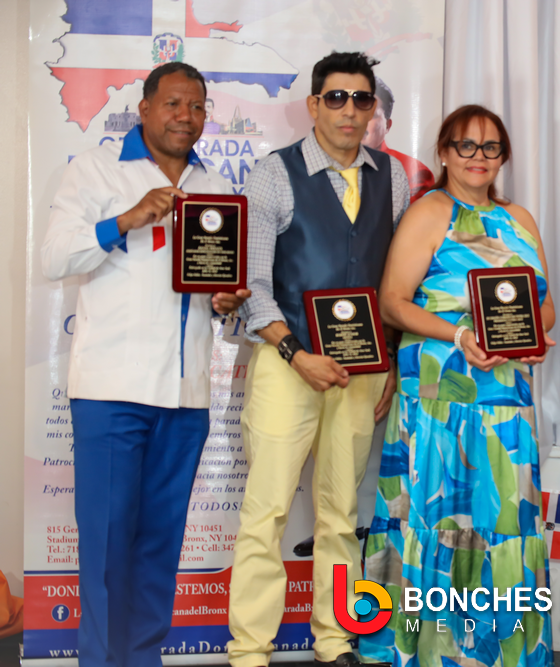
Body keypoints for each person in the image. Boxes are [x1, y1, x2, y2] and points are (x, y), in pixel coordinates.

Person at [40, 62, 250, 667]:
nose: (186, 117)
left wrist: (227, 300)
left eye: (198, 106)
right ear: (145, 109)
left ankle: (143, 658)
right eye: (174, 104)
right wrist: (125, 219)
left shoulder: (216, 188)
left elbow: (218, 291)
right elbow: (54, 258)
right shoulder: (96, 169)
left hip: (187, 395)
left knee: (160, 548)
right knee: (107, 550)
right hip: (112, 392)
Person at [226, 51, 409, 667]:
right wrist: (295, 353)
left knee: (340, 515)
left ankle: (333, 640)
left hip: (362, 373)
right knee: (267, 511)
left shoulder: (393, 177)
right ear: (313, 104)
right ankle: (249, 651)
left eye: (361, 99)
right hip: (288, 364)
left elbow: (395, 284)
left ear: (373, 108)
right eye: (336, 97)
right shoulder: (274, 174)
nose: (349, 110)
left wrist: (392, 361)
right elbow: (252, 285)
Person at [358, 104, 556, 667]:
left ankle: (501, 653)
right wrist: (460, 333)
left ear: (503, 156)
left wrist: (534, 338)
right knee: (432, 520)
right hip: (439, 401)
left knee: (504, 522)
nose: (478, 157)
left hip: (505, 403)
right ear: (444, 152)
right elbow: (392, 303)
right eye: (465, 145)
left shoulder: (520, 219)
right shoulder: (430, 212)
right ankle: (422, 650)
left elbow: (545, 307)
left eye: (490, 147)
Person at [363, 76, 435, 202]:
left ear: (387, 125)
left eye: (370, 115)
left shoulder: (413, 172)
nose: (359, 121)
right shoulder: (330, 165)